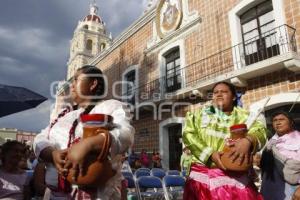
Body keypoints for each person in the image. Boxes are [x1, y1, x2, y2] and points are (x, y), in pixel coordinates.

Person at [33, 65, 135, 199]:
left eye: (76, 80)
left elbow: (125, 134)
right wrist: (53, 154)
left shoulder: (111, 106)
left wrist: (89, 144)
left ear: (93, 83)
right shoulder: (66, 116)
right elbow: (41, 138)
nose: (72, 86)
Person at [182, 81, 267, 199]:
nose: (219, 94)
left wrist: (248, 140)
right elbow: (188, 134)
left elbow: (261, 131)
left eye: (224, 92)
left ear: (233, 97)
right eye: (215, 92)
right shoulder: (198, 114)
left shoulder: (246, 116)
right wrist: (211, 154)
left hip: (236, 179)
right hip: (202, 178)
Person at [261, 111, 300, 200]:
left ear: (291, 122)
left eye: (282, 119)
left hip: (293, 190)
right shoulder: (270, 143)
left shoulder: (298, 139)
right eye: (275, 120)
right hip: (270, 190)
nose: (278, 123)